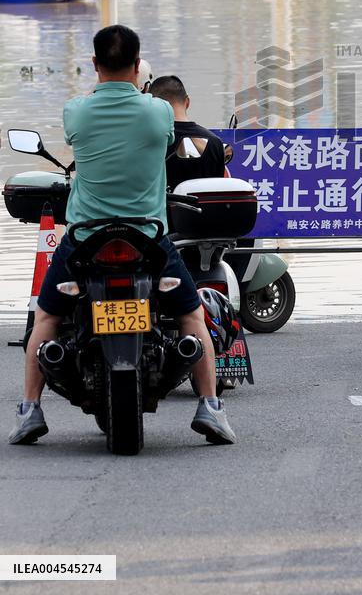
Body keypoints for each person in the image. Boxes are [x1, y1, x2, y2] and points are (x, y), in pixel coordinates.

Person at [9, 25, 236, 446]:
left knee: (46, 316)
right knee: (191, 316)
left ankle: (30, 411)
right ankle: (210, 407)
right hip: (148, 237)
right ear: (137, 66)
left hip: (85, 238)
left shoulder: (75, 111)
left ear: (94, 64)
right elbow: (164, 145)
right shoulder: (158, 112)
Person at [149, 75, 226, 190]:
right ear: (187, 102)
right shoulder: (215, 143)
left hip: (162, 207)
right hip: (206, 208)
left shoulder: (150, 140)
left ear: (153, 105)